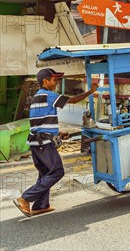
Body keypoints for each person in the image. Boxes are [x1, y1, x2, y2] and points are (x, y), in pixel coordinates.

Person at [13, 68, 98, 217]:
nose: (57, 82)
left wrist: (57, 133)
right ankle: (25, 198)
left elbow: (40, 123)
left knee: (45, 173)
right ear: (45, 81)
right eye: (54, 79)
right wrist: (90, 91)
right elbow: (71, 100)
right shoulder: (48, 95)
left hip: (36, 142)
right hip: (43, 143)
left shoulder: (37, 97)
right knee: (57, 171)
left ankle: (41, 205)